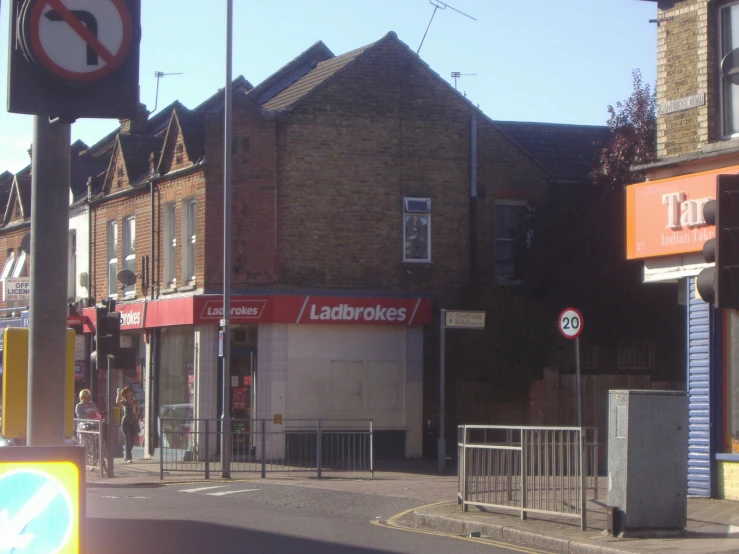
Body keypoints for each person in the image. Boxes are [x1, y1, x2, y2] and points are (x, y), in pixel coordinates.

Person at [116, 386, 140, 463]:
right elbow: (117, 403)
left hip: (134, 422)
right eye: (128, 392)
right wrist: (118, 394)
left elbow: (138, 412)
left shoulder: (135, 401)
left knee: (132, 440)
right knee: (128, 438)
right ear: (125, 393)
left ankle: (126, 452)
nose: (129, 393)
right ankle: (128, 457)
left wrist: (137, 407)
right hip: (126, 422)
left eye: (130, 391)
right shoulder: (124, 402)